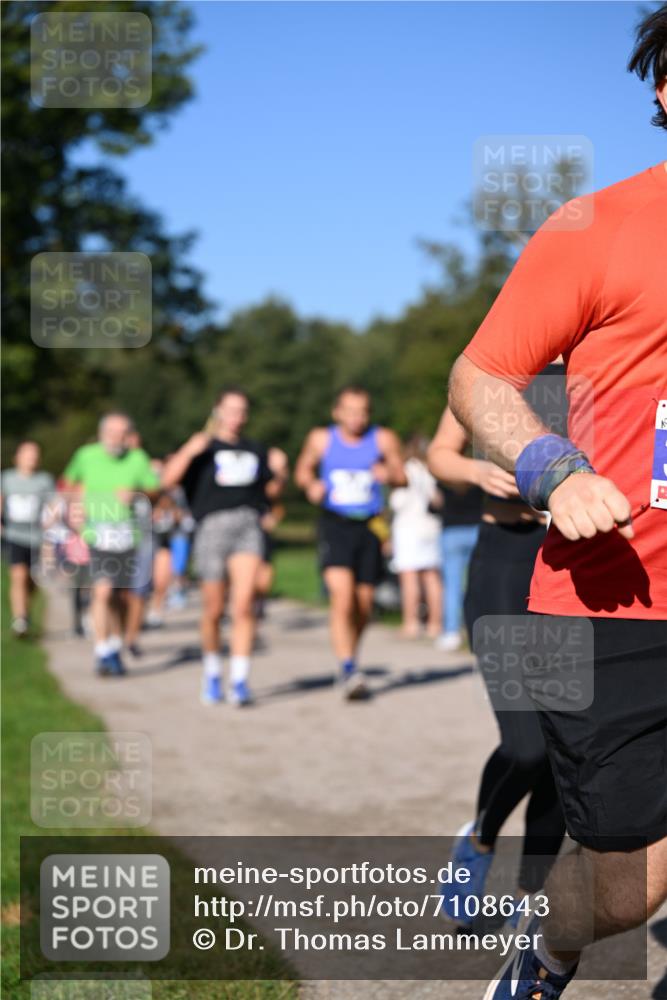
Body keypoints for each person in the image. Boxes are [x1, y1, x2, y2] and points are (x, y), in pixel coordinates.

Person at [447, 11, 667, 996]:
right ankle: (541, 956)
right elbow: (481, 375)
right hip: (619, 596)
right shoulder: (599, 226)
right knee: (628, 883)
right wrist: (555, 470)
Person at [428, 375, 566, 932]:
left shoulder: (601, 364)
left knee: (562, 750)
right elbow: (441, 454)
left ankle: (532, 900)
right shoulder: (502, 364)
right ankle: (479, 841)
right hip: (504, 565)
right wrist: (474, 470)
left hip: (571, 567)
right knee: (527, 746)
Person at [162, 387, 287, 706]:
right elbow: (167, 481)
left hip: (247, 525)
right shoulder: (203, 448)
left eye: (242, 411)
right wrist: (189, 451)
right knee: (214, 610)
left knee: (244, 604)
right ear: (218, 412)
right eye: (231, 410)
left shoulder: (255, 450)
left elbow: (268, 491)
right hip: (211, 527)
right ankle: (213, 670)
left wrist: (281, 474)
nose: (237, 417)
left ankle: (240, 680)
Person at [295, 385, 406, 698]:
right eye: (350, 410)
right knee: (342, 598)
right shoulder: (321, 438)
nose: (357, 417)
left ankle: (349, 659)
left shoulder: (383, 438)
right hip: (335, 524)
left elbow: (403, 477)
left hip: (370, 526)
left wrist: (390, 474)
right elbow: (302, 470)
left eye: (363, 411)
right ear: (337, 412)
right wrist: (310, 485)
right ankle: (348, 667)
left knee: (363, 605)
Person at [62, 413, 159, 676]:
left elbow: (154, 489)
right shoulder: (86, 455)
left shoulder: (138, 458)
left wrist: (137, 493)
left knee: (121, 596)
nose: (116, 438)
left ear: (128, 435)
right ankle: (102, 651)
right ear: (102, 433)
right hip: (96, 533)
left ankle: (115, 645)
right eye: (112, 432)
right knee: (102, 591)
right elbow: (69, 482)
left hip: (128, 535)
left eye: (122, 433)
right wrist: (73, 508)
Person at [388, 436, 442, 639]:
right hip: (431, 527)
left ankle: (411, 622)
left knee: (409, 577)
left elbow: (398, 503)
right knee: (432, 577)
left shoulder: (406, 471)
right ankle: (435, 623)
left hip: (408, 528)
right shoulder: (431, 471)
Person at [1, 441, 55, 636]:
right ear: (17, 456)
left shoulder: (44, 480)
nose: (31, 458)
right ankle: (19, 619)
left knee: (31, 582)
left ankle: (25, 611)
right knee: (18, 576)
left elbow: (54, 504)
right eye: (27, 454)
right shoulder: (7, 478)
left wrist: (51, 520)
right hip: (14, 534)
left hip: (36, 537)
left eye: (35, 454)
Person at [433, 473, 483, 652]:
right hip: (476, 530)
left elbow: (434, 504)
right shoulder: (476, 474)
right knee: (477, 584)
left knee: (452, 586)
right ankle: (477, 631)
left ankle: (452, 632)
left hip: (452, 532)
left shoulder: (444, 476)